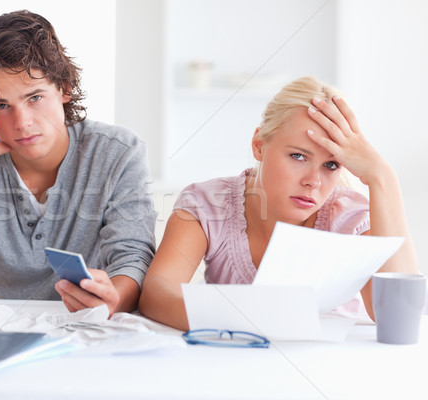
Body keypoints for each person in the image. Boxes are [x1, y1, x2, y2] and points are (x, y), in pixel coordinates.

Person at [0, 10, 156, 316]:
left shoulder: (118, 154)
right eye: (2, 105)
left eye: (34, 98)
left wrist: (114, 298)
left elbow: (133, 259)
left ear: (64, 88)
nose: (22, 122)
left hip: (89, 331)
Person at [139, 76, 419, 331]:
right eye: (298, 156)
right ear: (259, 145)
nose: (313, 181)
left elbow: (400, 316)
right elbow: (157, 293)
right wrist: (248, 319)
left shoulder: (350, 219)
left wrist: (383, 177)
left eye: (331, 165)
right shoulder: (208, 205)